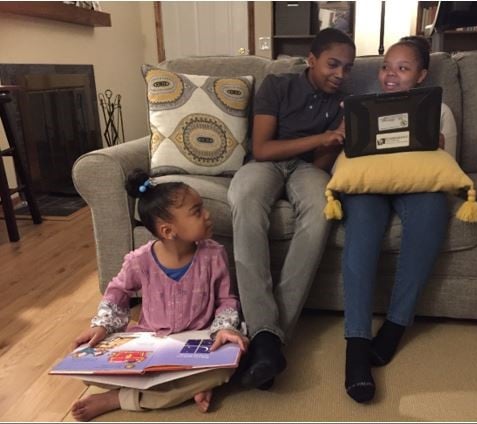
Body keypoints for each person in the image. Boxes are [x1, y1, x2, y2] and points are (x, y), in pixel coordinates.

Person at [227, 28, 356, 390]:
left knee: (322, 208)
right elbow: (264, 148)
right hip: (265, 164)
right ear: (311, 59)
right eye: (333, 64)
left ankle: (266, 340)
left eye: (348, 68)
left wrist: (342, 134)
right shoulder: (277, 85)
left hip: (306, 170)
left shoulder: (344, 103)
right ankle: (269, 340)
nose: (340, 74)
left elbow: (318, 166)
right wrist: (323, 136)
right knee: (245, 200)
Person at [70, 169, 249, 421]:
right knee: (86, 370)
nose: (207, 215)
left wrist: (224, 330)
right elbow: (117, 291)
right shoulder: (139, 260)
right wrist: (102, 326)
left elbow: (225, 300)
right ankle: (189, 389)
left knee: (227, 367)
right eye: (197, 211)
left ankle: (123, 398)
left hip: (197, 344)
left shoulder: (213, 255)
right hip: (150, 342)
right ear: (167, 231)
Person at [342, 36, 457, 403]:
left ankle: (394, 326)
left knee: (433, 212)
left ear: (421, 75)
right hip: (370, 186)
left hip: (418, 188)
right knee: (361, 228)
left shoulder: (441, 111)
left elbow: (448, 167)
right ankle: (356, 344)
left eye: (403, 68)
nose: (391, 75)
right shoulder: (361, 105)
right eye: (386, 66)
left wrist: (435, 143)